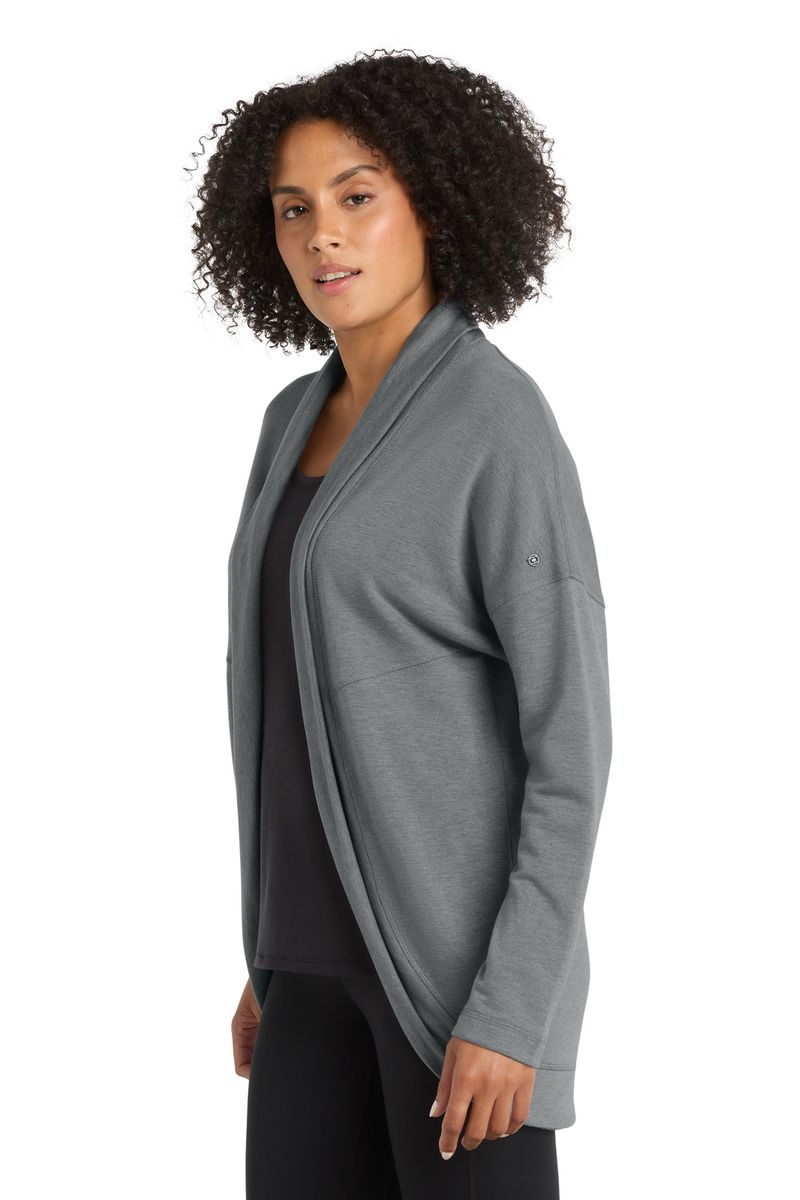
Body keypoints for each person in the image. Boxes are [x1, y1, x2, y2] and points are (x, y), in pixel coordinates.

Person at [190, 48, 612, 1199]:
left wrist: (512, 1009)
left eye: (356, 197)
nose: (321, 235)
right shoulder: (289, 421)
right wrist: (268, 953)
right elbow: (286, 707)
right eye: (293, 208)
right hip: (300, 974)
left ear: (432, 202)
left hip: (451, 995)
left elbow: (568, 747)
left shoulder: (495, 422)